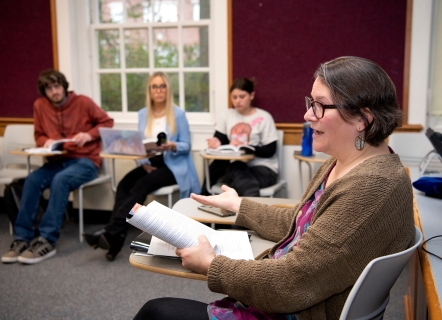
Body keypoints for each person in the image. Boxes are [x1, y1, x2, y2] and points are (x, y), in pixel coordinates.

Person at [134, 56, 416, 320]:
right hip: (289, 300)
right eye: (310, 103)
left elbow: (290, 284)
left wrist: (211, 265)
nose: (307, 114)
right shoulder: (348, 163)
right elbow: (300, 224)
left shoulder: (370, 190)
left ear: (362, 119)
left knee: (155, 312)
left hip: (291, 309)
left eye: (319, 105)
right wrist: (237, 205)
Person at [84, 71, 200, 261]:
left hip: (172, 164)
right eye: (154, 86)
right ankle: (116, 235)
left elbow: (186, 146)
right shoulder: (143, 114)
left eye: (162, 86)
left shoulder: (178, 114)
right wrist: (143, 162)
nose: (159, 90)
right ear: (149, 90)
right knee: (123, 184)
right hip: (150, 160)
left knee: (141, 186)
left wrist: (172, 144)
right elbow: (139, 144)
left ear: (167, 89)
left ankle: (111, 231)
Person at [1, 69, 114, 265]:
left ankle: (47, 239)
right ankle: (21, 237)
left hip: (85, 161)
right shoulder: (40, 106)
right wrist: (45, 141)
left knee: (60, 181)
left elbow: (107, 122)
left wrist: (88, 135)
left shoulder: (83, 102)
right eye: (48, 88)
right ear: (43, 91)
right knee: (32, 180)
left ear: (63, 86)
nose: (54, 91)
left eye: (56, 86)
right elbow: (39, 135)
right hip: (56, 160)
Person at [201, 78, 279, 196]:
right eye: (234, 97)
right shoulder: (227, 115)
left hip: (263, 167)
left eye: (242, 97)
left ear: (251, 95)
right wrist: (216, 143)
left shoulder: (264, 117)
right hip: (236, 167)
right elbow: (219, 140)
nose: (237, 101)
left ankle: (204, 198)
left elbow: (270, 150)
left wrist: (248, 147)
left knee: (236, 180)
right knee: (233, 169)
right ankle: (251, 208)